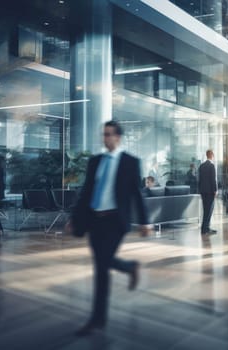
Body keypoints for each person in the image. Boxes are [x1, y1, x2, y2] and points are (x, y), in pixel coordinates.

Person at [66, 120, 150, 336]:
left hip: (115, 221)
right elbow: (85, 191)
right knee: (101, 267)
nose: (105, 138)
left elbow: (136, 193)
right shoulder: (96, 161)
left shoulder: (130, 162)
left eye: (109, 134)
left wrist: (144, 221)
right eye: (103, 134)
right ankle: (128, 270)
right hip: (95, 219)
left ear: (118, 137)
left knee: (102, 263)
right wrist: (75, 217)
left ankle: (97, 318)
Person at [198, 150, 218, 235]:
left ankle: (205, 228)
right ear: (212, 155)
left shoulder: (201, 166)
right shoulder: (211, 166)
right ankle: (205, 229)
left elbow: (199, 179)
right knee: (209, 210)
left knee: (205, 209)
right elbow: (213, 179)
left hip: (203, 191)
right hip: (210, 191)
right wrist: (215, 190)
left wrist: (200, 189)